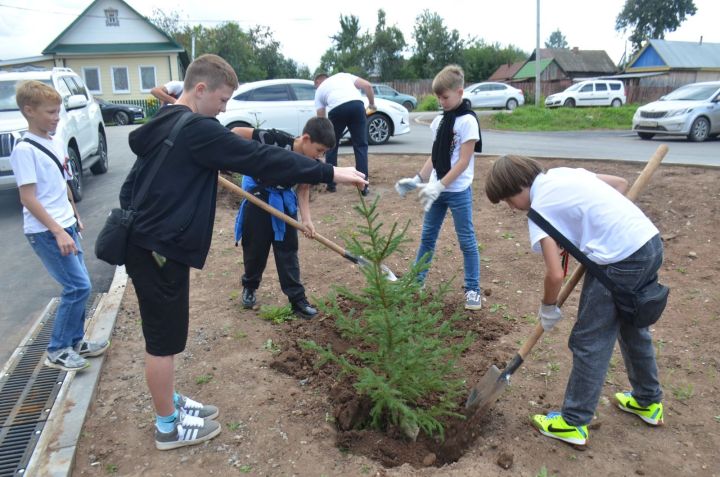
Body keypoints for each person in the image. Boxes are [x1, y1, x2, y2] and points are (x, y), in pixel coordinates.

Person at [120, 54, 367, 451]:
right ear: (200, 90)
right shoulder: (196, 129)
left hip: (152, 240)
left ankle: (172, 403)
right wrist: (329, 171)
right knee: (162, 341)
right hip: (156, 246)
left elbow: (140, 155)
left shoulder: (169, 120)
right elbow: (258, 157)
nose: (223, 110)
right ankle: (167, 425)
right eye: (221, 101)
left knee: (169, 336)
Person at [484, 154, 665, 447]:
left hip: (618, 262)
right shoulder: (564, 174)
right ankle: (648, 400)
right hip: (649, 244)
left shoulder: (539, 210)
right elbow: (620, 185)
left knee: (589, 340)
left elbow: (555, 274)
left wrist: (547, 307)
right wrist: (596, 229)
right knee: (632, 324)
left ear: (518, 187)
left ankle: (573, 422)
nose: (511, 207)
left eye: (507, 200)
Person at [9, 80, 109, 372]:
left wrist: (74, 215)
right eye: (50, 112)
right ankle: (57, 350)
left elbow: (63, 183)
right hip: (47, 231)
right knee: (77, 286)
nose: (56, 117)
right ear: (29, 111)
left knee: (81, 285)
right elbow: (27, 198)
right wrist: (56, 230)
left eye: (58, 112)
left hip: (65, 224)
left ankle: (75, 342)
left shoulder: (52, 141)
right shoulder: (24, 150)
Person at [394, 65, 483, 310]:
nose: (441, 101)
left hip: (457, 192)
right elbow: (435, 156)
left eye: (445, 97)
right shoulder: (439, 122)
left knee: (466, 239)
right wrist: (418, 180)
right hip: (436, 189)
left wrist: (441, 185)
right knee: (427, 237)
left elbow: (464, 162)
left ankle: (473, 289)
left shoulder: (468, 122)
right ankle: (417, 281)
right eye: (438, 97)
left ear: (460, 92)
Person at [231, 117, 335, 319]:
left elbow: (303, 189)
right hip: (258, 199)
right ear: (305, 139)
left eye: (324, 153)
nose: (321, 156)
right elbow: (236, 132)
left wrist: (307, 220)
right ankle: (249, 288)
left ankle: (298, 301)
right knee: (254, 249)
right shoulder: (274, 139)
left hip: (284, 204)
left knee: (288, 252)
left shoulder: (310, 162)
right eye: (319, 150)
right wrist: (232, 158)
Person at [314, 71, 375, 196]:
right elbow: (368, 86)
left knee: (331, 146)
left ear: (317, 82)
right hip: (357, 106)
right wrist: (372, 104)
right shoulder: (344, 76)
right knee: (361, 146)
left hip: (337, 110)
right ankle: (363, 186)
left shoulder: (319, 90)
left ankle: (331, 184)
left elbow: (321, 118)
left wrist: (325, 137)